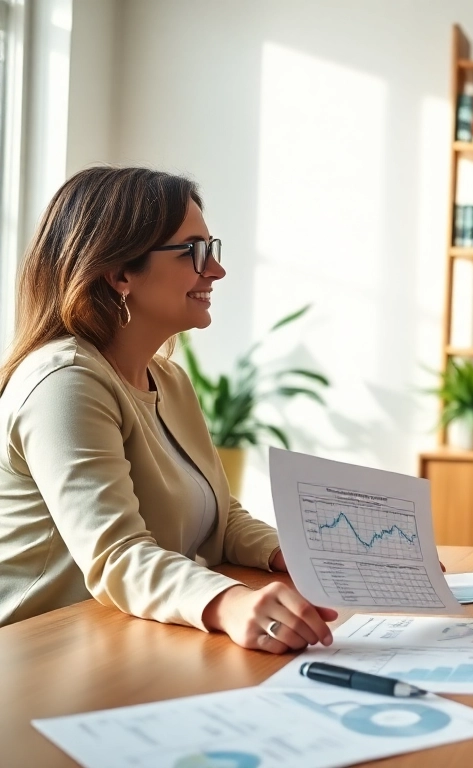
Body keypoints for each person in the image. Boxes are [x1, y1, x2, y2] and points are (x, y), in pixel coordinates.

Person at [0, 167, 335, 654]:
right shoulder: (64, 382)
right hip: (38, 655)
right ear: (120, 273)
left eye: (212, 248)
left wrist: (297, 554)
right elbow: (117, 556)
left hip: (120, 641)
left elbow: (220, 518)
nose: (215, 270)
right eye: (193, 251)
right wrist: (229, 602)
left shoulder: (169, 380)